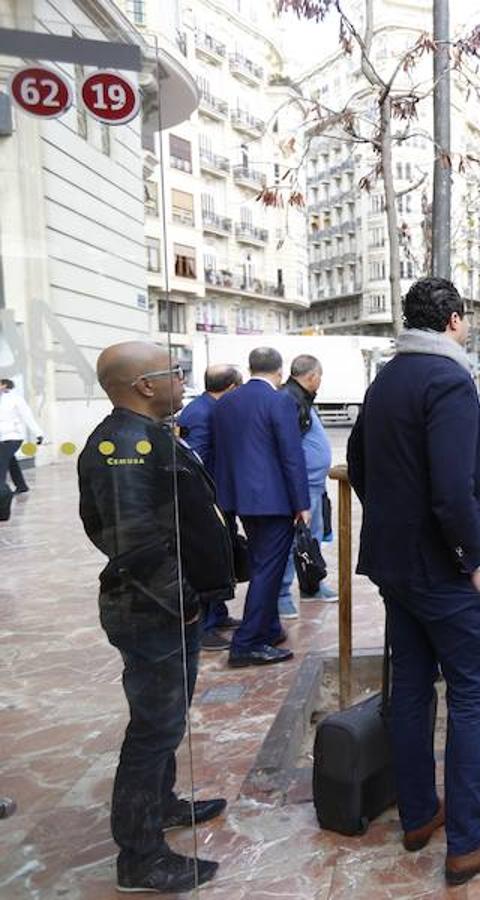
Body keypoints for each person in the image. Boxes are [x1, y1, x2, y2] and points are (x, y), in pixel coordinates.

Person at [347, 277, 480, 886]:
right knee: (474, 692)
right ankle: (468, 843)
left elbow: (365, 468)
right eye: (466, 318)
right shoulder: (447, 378)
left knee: (416, 689)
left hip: (397, 567)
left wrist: (401, 529)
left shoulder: (387, 379)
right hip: (444, 573)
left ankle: (421, 814)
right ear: (452, 319)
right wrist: (470, 558)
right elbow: (454, 488)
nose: (467, 326)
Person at [77, 342, 232, 893]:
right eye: (175, 372)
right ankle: (139, 857)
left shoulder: (148, 436)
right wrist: (184, 600)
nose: (183, 381)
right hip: (153, 611)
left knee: (167, 720)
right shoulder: (122, 447)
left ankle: (162, 803)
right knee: (154, 728)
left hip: (168, 607)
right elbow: (134, 544)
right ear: (144, 385)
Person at [211, 347, 309, 668]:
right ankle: (247, 643)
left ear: (250, 367)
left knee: (261, 563)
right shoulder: (280, 400)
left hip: (240, 498)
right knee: (269, 570)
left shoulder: (226, 401)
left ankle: (267, 628)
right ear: (279, 372)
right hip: (274, 500)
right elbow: (291, 455)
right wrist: (302, 503)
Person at [178, 364, 243, 648]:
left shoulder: (207, 408)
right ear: (231, 387)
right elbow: (195, 460)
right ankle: (204, 626)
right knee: (207, 560)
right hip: (207, 499)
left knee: (222, 556)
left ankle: (218, 614)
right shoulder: (203, 413)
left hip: (219, 495)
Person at [277, 354, 338, 609]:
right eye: (320, 376)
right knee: (295, 540)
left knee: (310, 539)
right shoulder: (290, 399)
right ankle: (282, 596)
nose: (320, 381)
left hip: (315, 485)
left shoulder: (302, 398)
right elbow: (288, 448)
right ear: (312, 376)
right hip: (303, 486)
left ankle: (311, 585)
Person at [0, 377, 43, 522]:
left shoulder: (15, 399)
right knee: (10, 461)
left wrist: (38, 433)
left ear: (4, 385)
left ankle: (2, 495)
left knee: (1, 464)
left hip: (13, 437)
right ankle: (22, 485)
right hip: (1, 438)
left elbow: (27, 416)